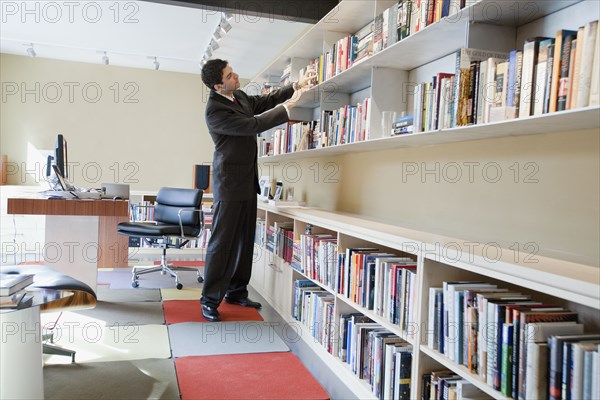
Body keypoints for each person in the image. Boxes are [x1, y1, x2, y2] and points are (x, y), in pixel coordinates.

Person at [199, 59, 315, 321]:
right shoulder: (214, 111)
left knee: (244, 239)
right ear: (218, 85)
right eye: (230, 75)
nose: (236, 75)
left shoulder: (238, 96)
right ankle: (209, 299)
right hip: (228, 185)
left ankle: (236, 291)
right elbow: (252, 125)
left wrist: (296, 85)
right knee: (222, 243)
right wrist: (289, 107)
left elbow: (262, 104)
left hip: (247, 180)